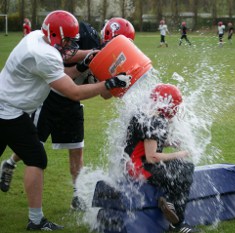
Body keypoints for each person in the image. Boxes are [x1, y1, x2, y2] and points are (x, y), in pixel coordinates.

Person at [0, 10, 131, 230]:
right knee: (36, 158)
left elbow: (66, 59)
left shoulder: (36, 37)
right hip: (9, 110)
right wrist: (110, 83)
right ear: (54, 36)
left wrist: (89, 57)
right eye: (67, 41)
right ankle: (35, 220)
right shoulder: (44, 54)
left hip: (9, 106)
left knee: (37, 154)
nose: (71, 46)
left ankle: (36, 218)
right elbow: (74, 92)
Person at [124, 84, 197, 232]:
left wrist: (168, 142)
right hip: (139, 169)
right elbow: (152, 157)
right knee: (186, 168)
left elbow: (143, 142)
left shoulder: (144, 113)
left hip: (131, 164)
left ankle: (171, 205)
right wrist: (180, 154)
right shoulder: (157, 121)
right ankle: (177, 224)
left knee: (180, 168)